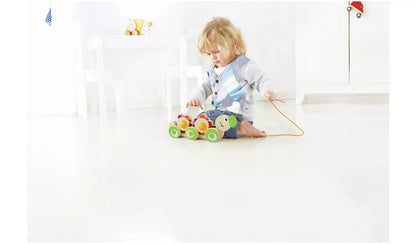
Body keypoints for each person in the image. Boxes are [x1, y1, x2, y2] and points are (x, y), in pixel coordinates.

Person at [186, 17, 276, 138]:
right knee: (204, 118)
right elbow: (204, 87)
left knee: (207, 119)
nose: (212, 57)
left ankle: (242, 129)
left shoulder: (242, 65)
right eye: (208, 54)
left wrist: (267, 91)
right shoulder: (213, 70)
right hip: (222, 115)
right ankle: (236, 129)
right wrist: (195, 97)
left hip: (238, 116)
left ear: (233, 44)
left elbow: (261, 79)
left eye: (216, 51)